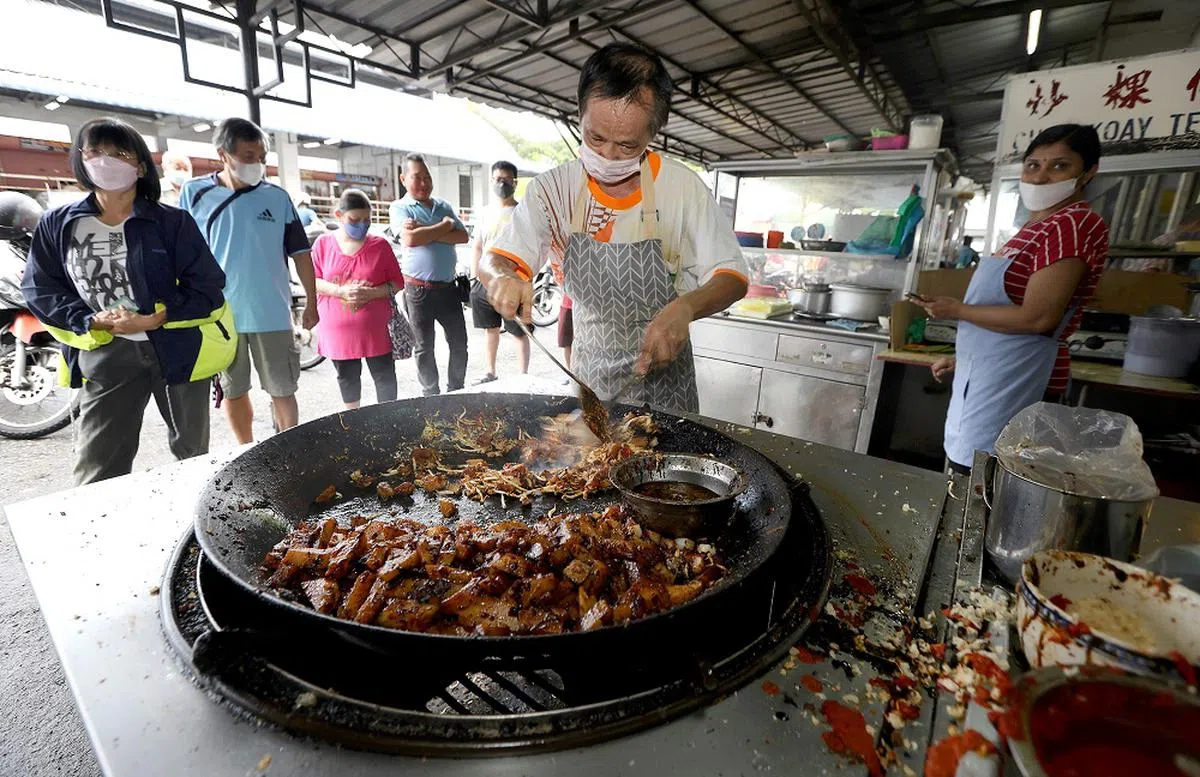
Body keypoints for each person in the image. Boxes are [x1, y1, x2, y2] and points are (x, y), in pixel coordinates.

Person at [478, 42, 748, 412]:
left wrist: (686, 308)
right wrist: (502, 277)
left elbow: (732, 276)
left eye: (626, 145)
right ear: (580, 111)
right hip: (592, 382)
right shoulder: (551, 190)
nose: (607, 155)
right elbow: (495, 260)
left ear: (654, 132)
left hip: (668, 390)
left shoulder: (682, 188)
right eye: (595, 137)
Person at [21, 117, 231, 485]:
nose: (106, 161)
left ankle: (195, 518)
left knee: (192, 456)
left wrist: (156, 318)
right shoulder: (59, 224)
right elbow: (40, 288)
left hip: (177, 349)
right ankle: (97, 520)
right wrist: (90, 320)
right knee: (98, 463)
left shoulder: (171, 222)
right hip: (106, 351)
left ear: (140, 166)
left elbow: (208, 287)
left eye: (120, 154)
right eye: (95, 152)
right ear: (81, 159)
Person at [921, 124, 1109, 472]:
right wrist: (969, 359)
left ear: (1088, 172)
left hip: (1019, 379)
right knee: (967, 471)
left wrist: (957, 310)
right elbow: (1009, 309)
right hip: (994, 373)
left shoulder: (1071, 224)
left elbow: (1038, 318)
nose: (1040, 177)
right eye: (1033, 165)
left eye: (1059, 165)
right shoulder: (1035, 227)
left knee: (986, 479)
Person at [179, 117, 318, 442]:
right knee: (233, 389)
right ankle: (245, 450)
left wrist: (312, 302)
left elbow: (301, 254)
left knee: (282, 388)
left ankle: (287, 449)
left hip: (272, 313)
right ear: (223, 155)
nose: (256, 163)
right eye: (248, 156)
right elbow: (182, 253)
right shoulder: (194, 193)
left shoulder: (277, 198)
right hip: (221, 315)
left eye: (261, 157)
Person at [311, 189, 403, 409]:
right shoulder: (323, 244)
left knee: (385, 377)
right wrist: (340, 291)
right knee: (347, 378)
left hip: (376, 330)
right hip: (339, 331)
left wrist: (372, 293)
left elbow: (398, 283)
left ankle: (389, 420)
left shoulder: (380, 246)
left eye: (366, 220)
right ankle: (352, 422)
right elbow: (312, 281)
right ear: (339, 215)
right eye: (354, 220)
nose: (361, 225)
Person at [389, 152, 470, 396]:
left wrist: (425, 230)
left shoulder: (443, 206)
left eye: (427, 177)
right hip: (418, 291)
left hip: (448, 288)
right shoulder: (399, 208)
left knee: (459, 343)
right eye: (417, 177)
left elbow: (462, 236)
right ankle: (430, 395)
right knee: (424, 347)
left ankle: (456, 391)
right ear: (403, 179)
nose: (423, 183)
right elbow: (410, 240)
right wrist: (444, 226)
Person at [469, 160, 529, 383]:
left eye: (507, 179)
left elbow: (528, 248)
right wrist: (476, 278)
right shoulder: (485, 213)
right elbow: (477, 246)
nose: (502, 184)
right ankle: (491, 372)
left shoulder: (522, 213)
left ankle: (523, 376)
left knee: (519, 331)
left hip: (512, 282)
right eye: (498, 179)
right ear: (491, 180)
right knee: (490, 328)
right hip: (485, 282)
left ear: (515, 182)